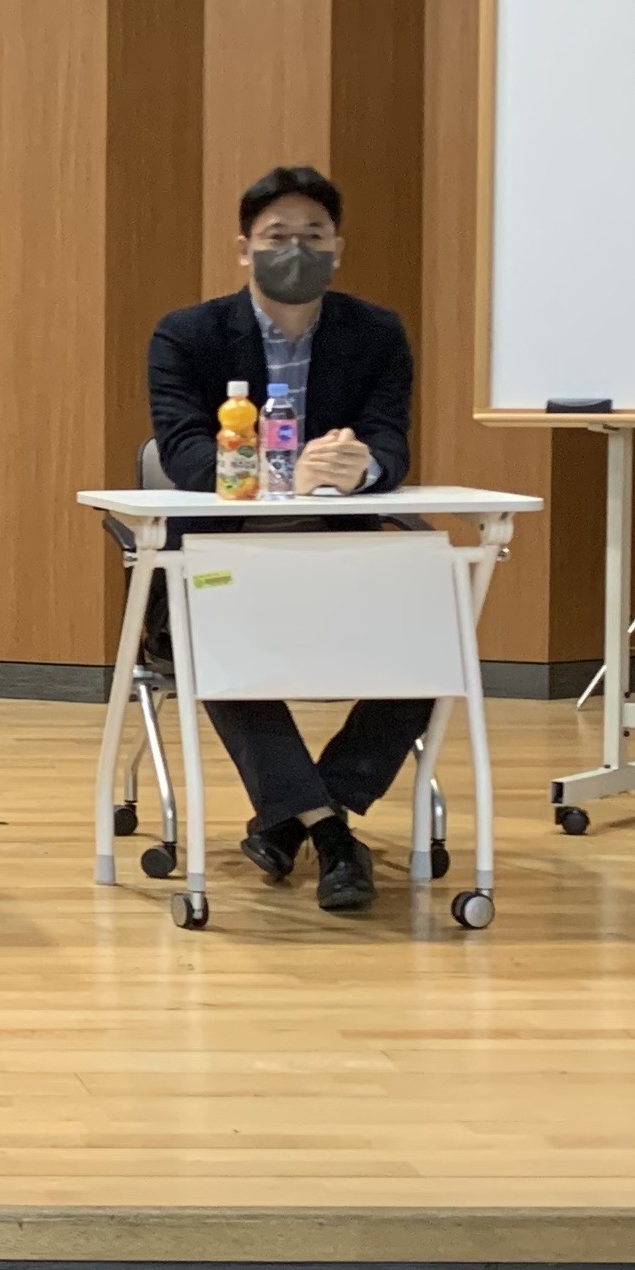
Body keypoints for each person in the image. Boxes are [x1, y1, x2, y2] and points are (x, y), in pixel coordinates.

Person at [147, 164, 417, 915]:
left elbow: (392, 440)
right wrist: (275, 473)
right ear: (244, 249)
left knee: (440, 624)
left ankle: (299, 813)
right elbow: (183, 451)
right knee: (212, 634)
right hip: (223, 555)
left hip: (338, 556)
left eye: (313, 235)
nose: (296, 250)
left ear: (338, 247)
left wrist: (365, 468)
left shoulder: (376, 332)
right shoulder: (188, 334)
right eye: (277, 237)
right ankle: (331, 834)